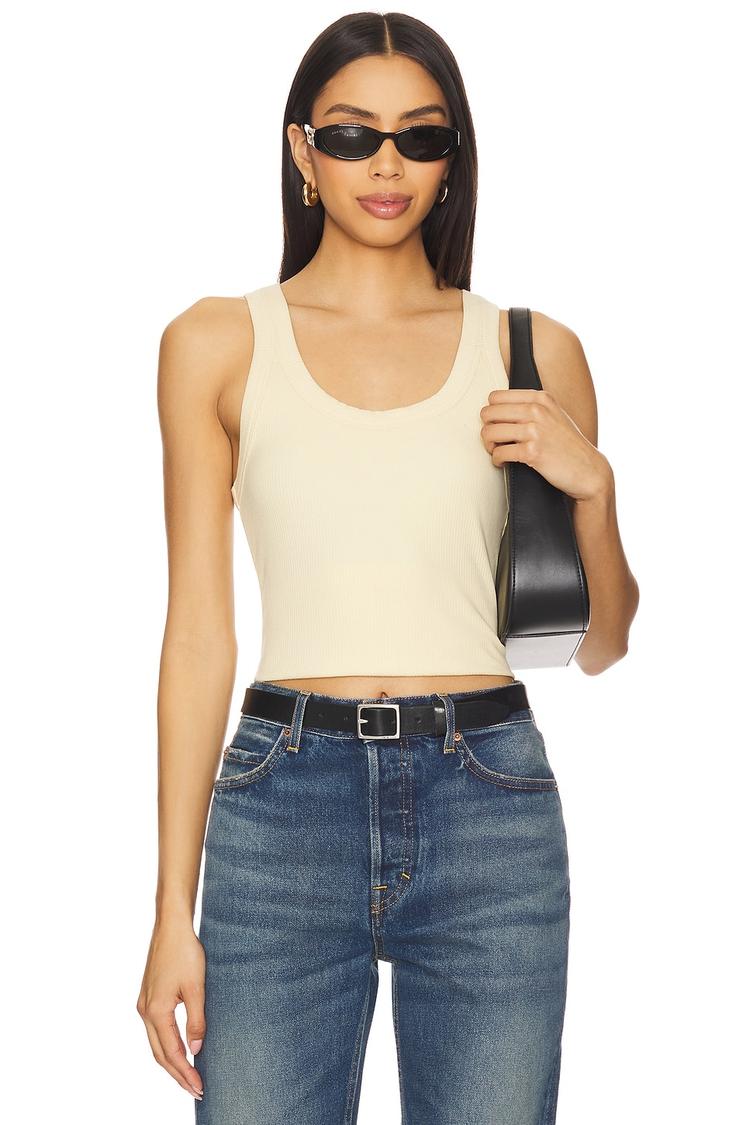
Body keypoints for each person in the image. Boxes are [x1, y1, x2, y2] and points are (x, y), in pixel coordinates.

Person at [136, 12, 639, 1124]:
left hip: (488, 802)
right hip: (282, 803)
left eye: (421, 136)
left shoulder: (531, 350)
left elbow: (599, 644)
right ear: (302, 150)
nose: (388, 165)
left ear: (453, 158)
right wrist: (173, 908)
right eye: (353, 135)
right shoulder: (216, 344)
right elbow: (197, 635)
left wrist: (594, 487)